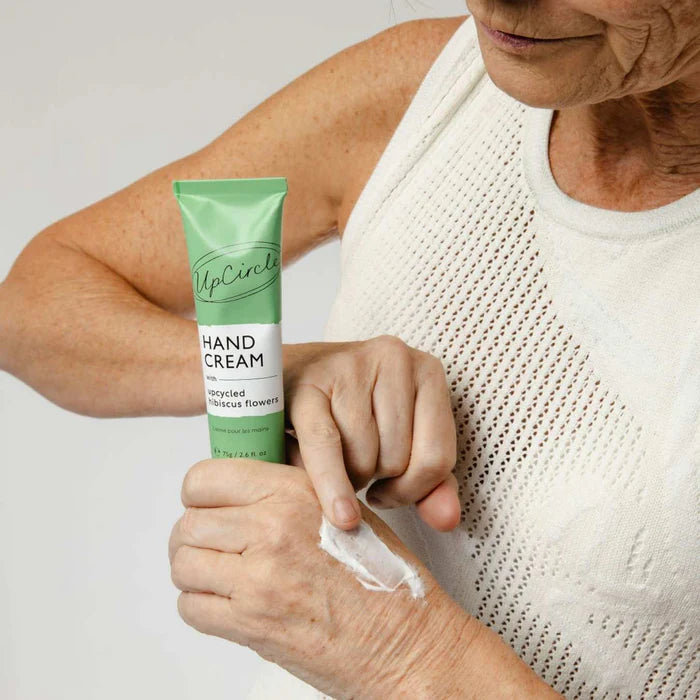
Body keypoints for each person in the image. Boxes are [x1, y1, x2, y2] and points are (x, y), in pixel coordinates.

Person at [1, 0, 698, 696]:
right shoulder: (431, 88)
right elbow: (34, 303)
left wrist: (402, 653)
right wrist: (285, 372)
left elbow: (392, 650)